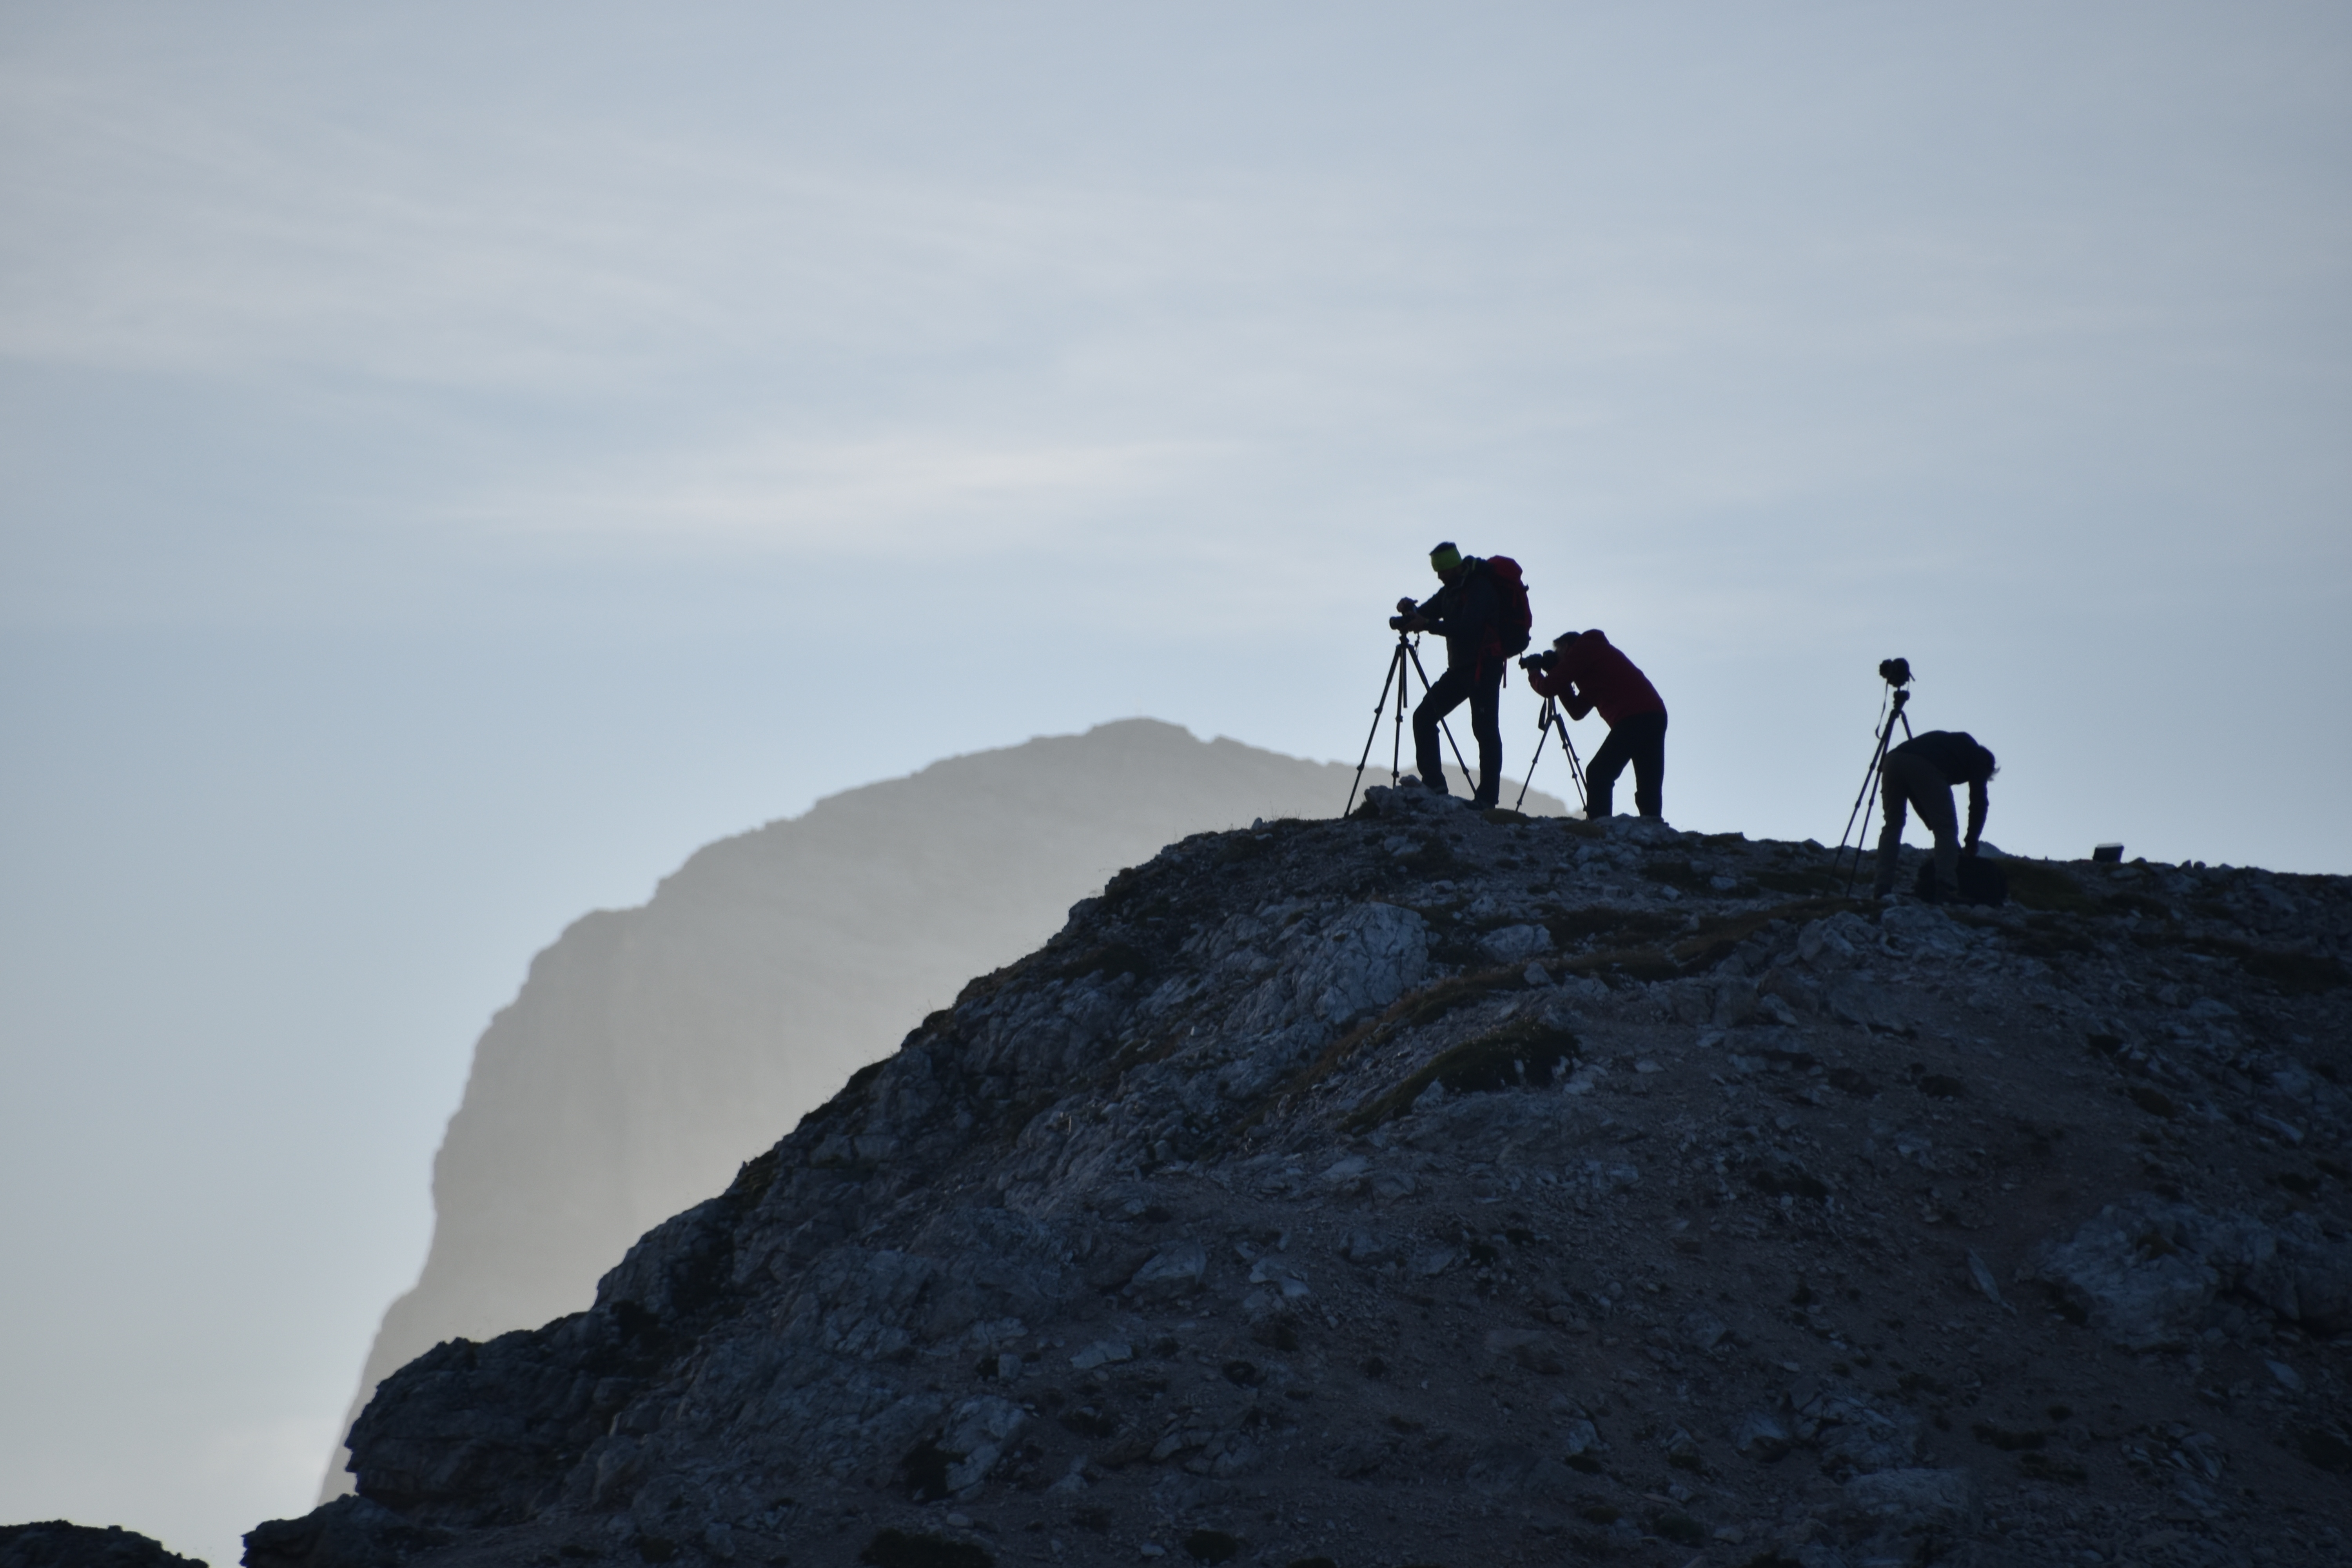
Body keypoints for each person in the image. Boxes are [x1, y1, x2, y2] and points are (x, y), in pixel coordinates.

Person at [1394, 541, 1507, 807]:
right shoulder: (1450, 591)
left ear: (1454, 567)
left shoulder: (1479, 588)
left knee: (1485, 731)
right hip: (1459, 670)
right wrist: (1411, 612)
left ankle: (1487, 799)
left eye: (1442, 570)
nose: (1439, 576)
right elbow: (1427, 613)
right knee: (1424, 717)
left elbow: (1468, 628)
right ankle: (1434, 784)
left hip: (1483, 668)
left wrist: (1428, 625)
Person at [1526, 628, 1668, 819]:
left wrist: (1535, 672)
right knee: (1648, 782)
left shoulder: (1583, 649)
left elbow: (1548, 687)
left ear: (1567, 647)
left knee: (1599, 773)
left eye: (1559, 653)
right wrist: (1556, 674)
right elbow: (1577, 710)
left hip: (1634, 716)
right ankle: (1653, 831)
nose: (1560, 660)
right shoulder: (1595, 662)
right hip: (1654, 714)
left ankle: (1600, 827)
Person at [1873, 730, 1996, 900]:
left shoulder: (1951, 745)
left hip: (1892, 761)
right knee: (1947, 828)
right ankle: (1947, 889)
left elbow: (1918, 795)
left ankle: (1882, 887)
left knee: (1893, 824)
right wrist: (1972, 840)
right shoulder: (1979, 759)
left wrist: (1932, 823)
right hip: (1923, 764)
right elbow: (1979, 802)